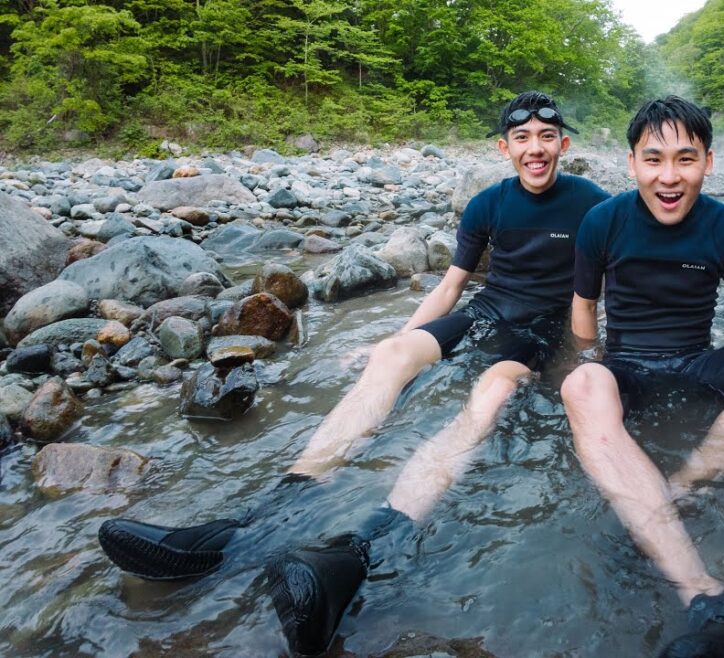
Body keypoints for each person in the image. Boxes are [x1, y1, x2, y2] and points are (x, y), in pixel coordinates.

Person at [97, 91, 609, 656]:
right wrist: (389, 340)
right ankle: (253, 523)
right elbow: (450, 286)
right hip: (484, 313)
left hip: (537, 335)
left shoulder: (592, 205)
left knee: (489, 393)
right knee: (390, 359)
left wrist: (580, 364)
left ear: (562, 144)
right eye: (522, 139)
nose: (534, 150)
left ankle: (366, 547)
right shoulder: (488, 203)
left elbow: (596, 297)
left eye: (545, 138)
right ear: (504, 147)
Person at [560, 96, 724, 656]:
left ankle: (680, 487)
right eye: (654, 160)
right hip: (626, 365)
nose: (669, 177)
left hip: (698, 366)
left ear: (709, 161)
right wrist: (587, 361)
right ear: (632, 164)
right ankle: (703, 595)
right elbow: (584, 308)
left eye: (686, 158)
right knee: (581, 384)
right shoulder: (602, 221)